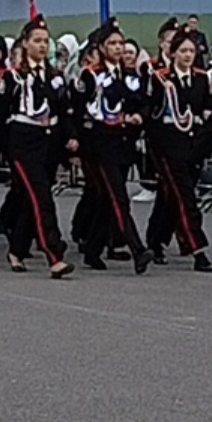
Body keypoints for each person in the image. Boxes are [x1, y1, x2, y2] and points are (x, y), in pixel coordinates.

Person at [0, 16, 76, 278]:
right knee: (42, 199)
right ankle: (54, 254)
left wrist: (71, 139)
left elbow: (64, 111)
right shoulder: (14, 77)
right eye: (36, 41)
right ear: (25, 44)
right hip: (23, 144)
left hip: (49, 145)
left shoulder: (55, 76)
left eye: (45, 41)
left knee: (30, 200)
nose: (41, 46)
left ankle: (17, 249)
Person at [70, 18, 151, 272]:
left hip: (124, 144)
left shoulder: (131, 76)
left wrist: (140, 116)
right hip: (100, 146)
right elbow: (78, 111)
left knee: (107, 199)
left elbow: (142, 102)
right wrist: (76, 145)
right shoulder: (91, 75)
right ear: (102, 47)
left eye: (120, 43)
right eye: (112, 43)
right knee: (118, 197)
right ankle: (138, 249)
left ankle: (93, 249)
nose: (118, 48)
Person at [144, 25, 212, 272]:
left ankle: (156, 240)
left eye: (192, 51)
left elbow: (206, 112)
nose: (188, 55)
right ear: (173, 53)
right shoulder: (161, 78)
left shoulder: (201, 78)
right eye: (183, 51)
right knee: (186, 197)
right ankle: (198, 249)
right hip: (168, 145)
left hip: (193, 145)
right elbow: (152, 114)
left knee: (170, 198)